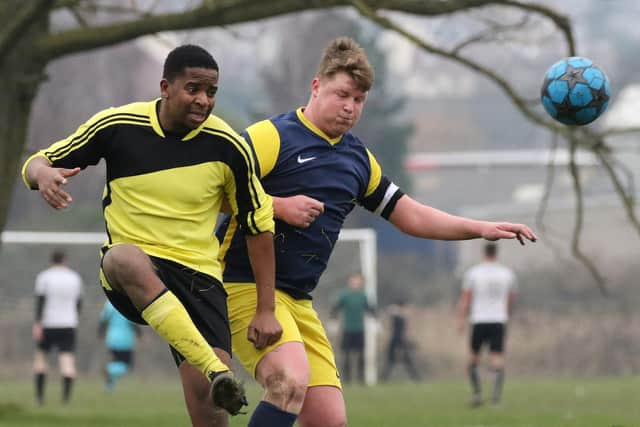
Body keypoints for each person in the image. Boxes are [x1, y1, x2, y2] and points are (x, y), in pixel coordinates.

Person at [215, 36, 537, 427]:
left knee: (330, 421)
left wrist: (481, 228)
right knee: (287, 383)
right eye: (342, 94)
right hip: (244, 284)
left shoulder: (357, 158)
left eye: (359, 100)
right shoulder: (272, 136)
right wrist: (279, 206)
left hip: (298, 299)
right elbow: (212, 191)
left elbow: (410, 216)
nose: (350, 107)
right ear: (316, 86)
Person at [21, 44, 281, 426]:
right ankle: (215, 369)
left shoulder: (228, 146)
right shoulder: (117, 126)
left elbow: (259, 224)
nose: (203, 100)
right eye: (193, 88)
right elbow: (37, 163)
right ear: (165, 86)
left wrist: (266, 308)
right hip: (132, 272)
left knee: (210, 415)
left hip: (199, 279)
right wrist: (42, 174)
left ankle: (214, 375)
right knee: (121, 258)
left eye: (211, 92)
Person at [456, 242, 517, 407]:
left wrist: (461, 319)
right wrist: (507, 315)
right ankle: (496, 399)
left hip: (479, 320)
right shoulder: (507, 273)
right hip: (498, 320)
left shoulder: (473, 273)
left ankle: (477, 395)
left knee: (473, 359)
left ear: (484, 253)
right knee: (497, 360)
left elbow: (466, 298)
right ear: (496, 253)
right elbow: (511, 299)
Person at [32, 249, 83, 405]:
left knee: (41, 360)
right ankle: (65, 400)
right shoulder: (75, 278)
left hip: (48, 323)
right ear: (65, 260)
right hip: (68, 324)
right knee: (67, 362)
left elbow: (41, 301)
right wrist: (74, 318)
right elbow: (78, 303)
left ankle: (40, 398)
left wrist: (37, 323)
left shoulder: (44, 277)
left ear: (51, 260)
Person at [330, 272, 375, 384]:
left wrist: (375, 322)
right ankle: (347, 379)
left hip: (359, 329)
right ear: (350, 282)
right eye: (353, 280)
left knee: (361, 355)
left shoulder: (363, 296)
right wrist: (333, 321)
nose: (355, 283)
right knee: (346, 354)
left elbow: (370, 309)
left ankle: (361, 379)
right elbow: (335, 308)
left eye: (358, 281)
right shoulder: (345, 295)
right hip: (348, 329)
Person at [98, 300, 142, 391]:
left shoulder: (109, 303)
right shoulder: (126, 302)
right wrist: (139, 334)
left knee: (116, 361)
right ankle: (109, 370)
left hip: (112, 338)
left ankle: (110, 388)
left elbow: (103, 320)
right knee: (126, 365)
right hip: (125, 339)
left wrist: (100, 334)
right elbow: (132, 321)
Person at [380, 298, 421, 382]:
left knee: (403, 361)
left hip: (398, 340)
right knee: (392, 361)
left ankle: (416, 378)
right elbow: (389, 311)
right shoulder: (397, 314)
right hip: (397, 340)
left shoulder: (401, 315)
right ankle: (383, 378)